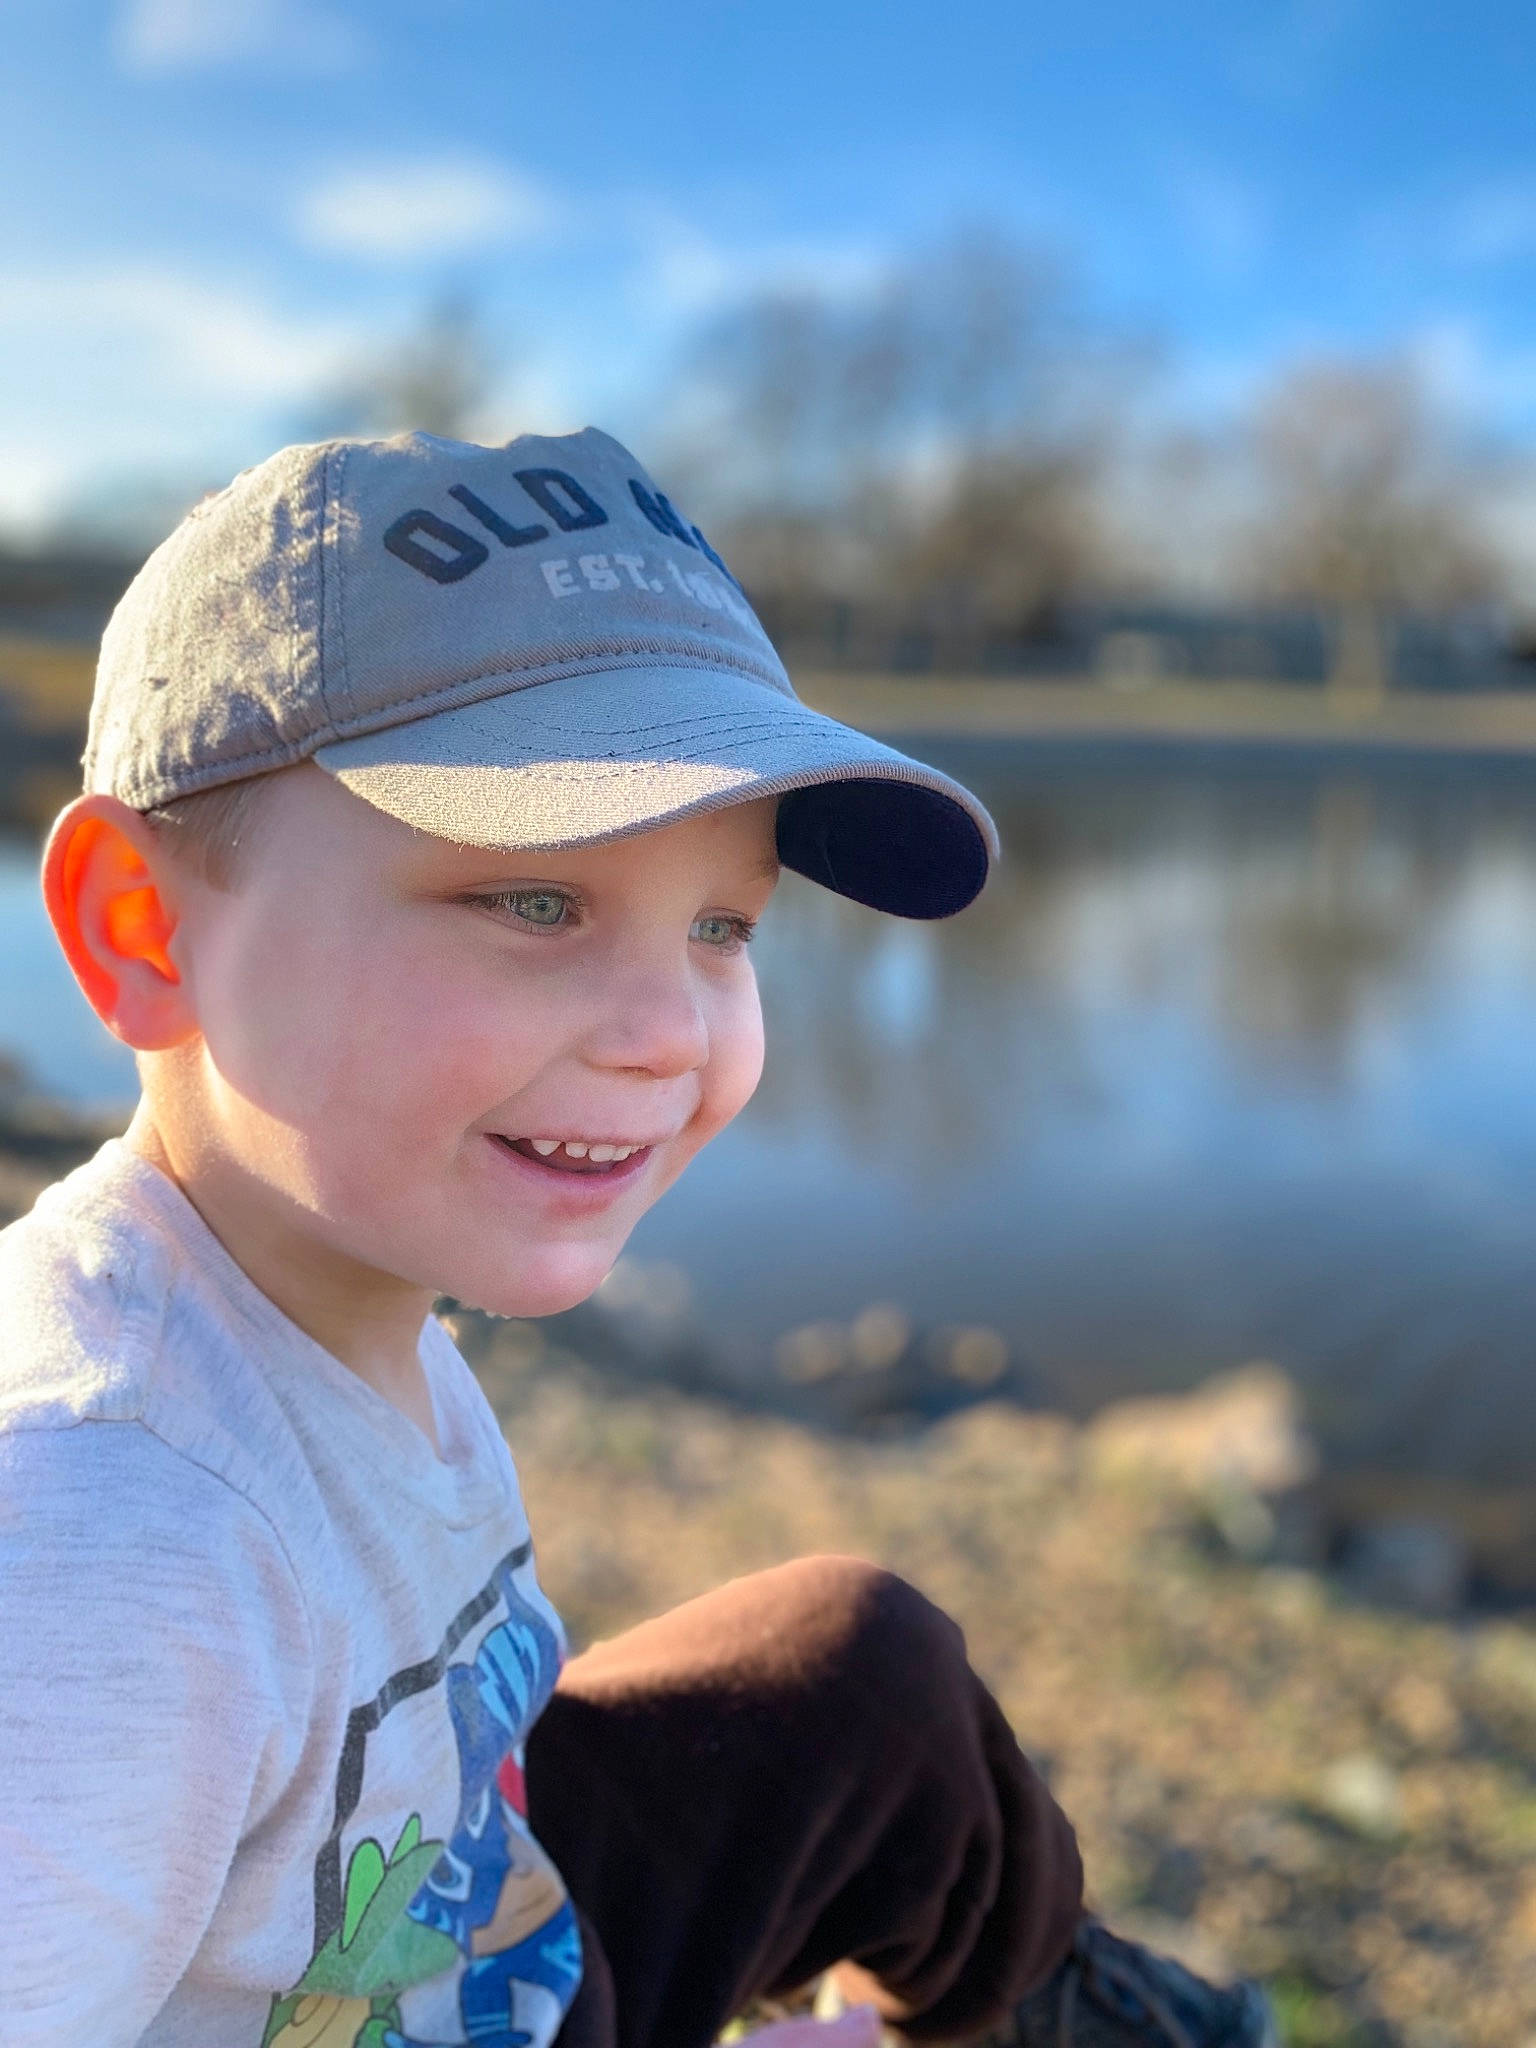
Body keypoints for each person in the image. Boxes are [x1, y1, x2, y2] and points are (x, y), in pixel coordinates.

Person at [1, 427, 1275, 2048]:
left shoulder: (338, 1292)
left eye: (722, 925)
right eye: (536, 901)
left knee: (859, 1677)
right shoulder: (104, 1543)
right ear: (144, 929)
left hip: (466, 1938)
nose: (674, 1030)